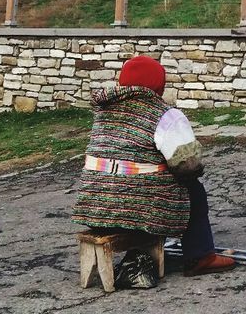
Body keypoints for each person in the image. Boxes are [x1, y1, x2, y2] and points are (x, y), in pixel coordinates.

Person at [72, 56, 236, 277]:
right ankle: (200, 256)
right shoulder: (165, 115)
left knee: (144, 176)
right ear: (159, 84)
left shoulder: (103, 111)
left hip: (93, 206)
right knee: (193, 190)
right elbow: (188, 165)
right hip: (138, 207)